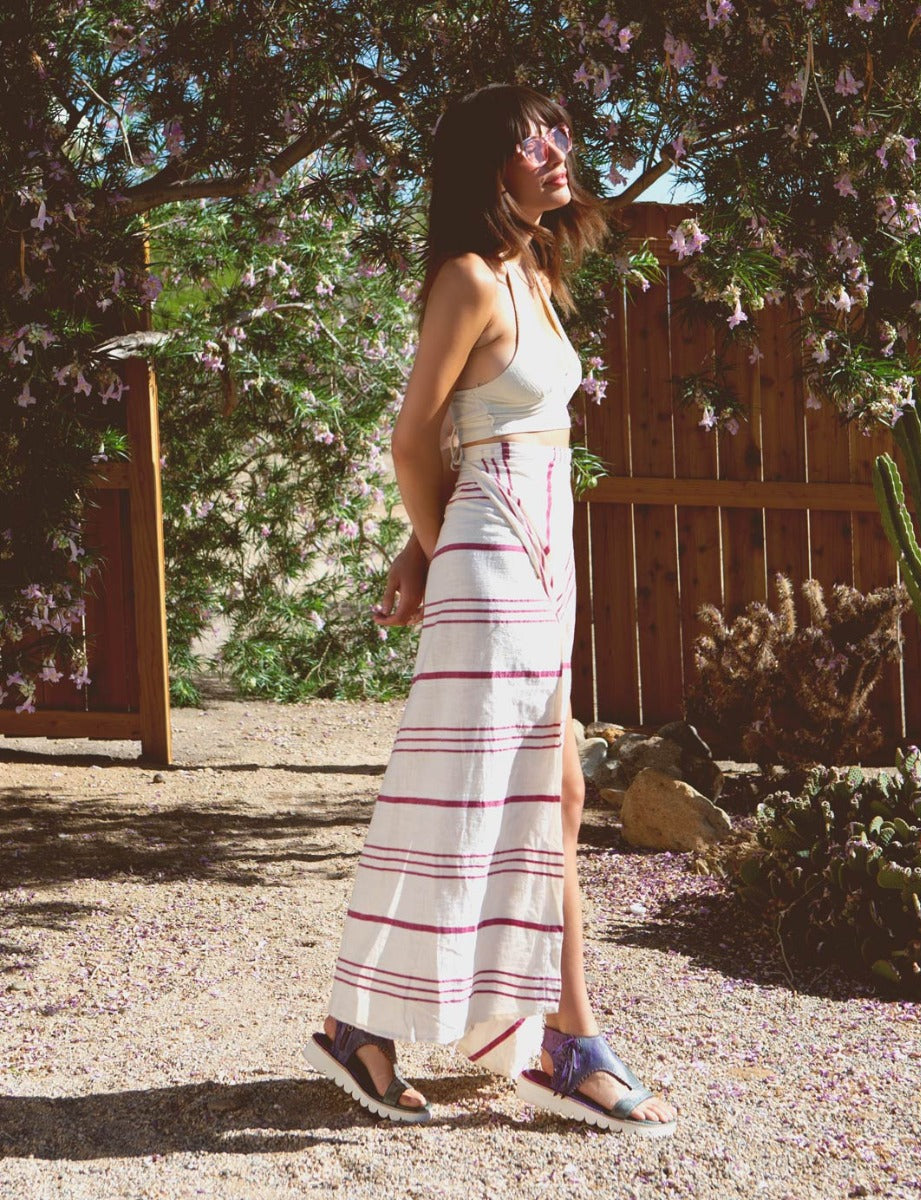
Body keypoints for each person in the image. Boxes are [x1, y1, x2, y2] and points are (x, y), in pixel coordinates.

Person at [304, 83, 677, 1137]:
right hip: (497, 565)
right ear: (486, 169)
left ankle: (488, 1030)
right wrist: (434, 551)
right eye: (531, 138)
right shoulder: (468, 278)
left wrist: (420, 546)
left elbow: (482, 438)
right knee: (469, 796)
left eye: (560, 129)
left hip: (537, 564)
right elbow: (413, 440)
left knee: (543, 797)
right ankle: (549, 1037)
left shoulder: (533, 276)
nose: (558, 148)